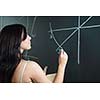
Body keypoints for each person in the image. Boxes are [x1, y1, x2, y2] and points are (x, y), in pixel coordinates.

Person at [0, 24, 68, 83]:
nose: (30, 37)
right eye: (26, 35)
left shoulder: (6, 66)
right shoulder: (30, 67)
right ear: (16, 40)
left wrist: (39, 77)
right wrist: (62, 65)